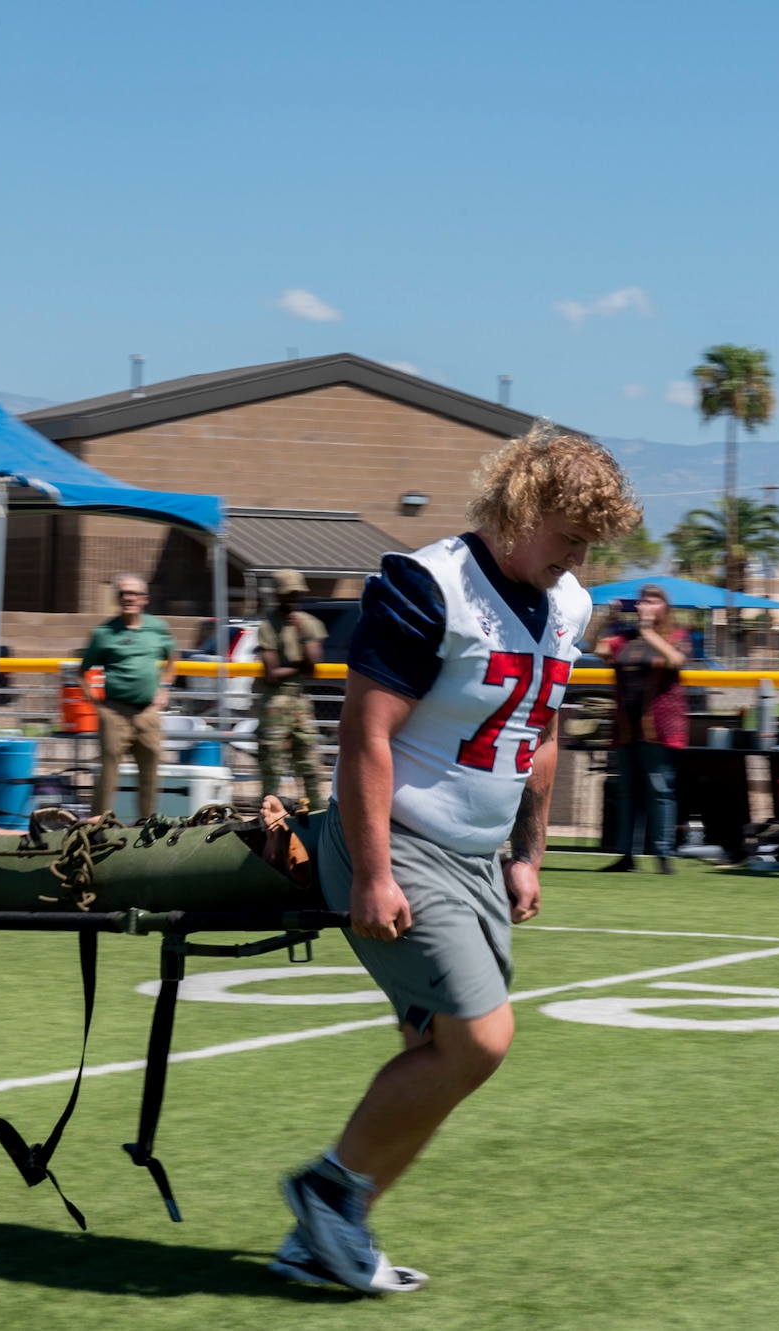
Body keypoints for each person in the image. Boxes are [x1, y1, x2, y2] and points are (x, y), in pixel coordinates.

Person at [272, 424, 638, 1294]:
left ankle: (326, 1238)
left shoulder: (570, 603)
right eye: (568, 535)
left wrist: (527, 853)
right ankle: (328, 1190)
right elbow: (365, 731)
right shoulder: (425, 584)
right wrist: (371, 870)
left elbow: (537, 731)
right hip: (397, 837)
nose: (579, 555)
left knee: (433, 1049)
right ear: (519, 509)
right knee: (480, 1039)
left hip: (476, 853)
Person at [593, 583, 690, 874]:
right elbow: (596, 649)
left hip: (659, 727)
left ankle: (663, 855)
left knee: (659, 789)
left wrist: (648, 630)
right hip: (626, 727)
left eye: (652, 602)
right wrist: (605, 619)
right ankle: (627, 856)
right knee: (627, 792)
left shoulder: (676, 635)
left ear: (665, 607)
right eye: (641, 602)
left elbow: (677, 660)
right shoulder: (623, 637)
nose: (644, 606)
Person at [80, 574, 178, 818]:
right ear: (117, 598)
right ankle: (96, 828)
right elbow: (83, 671)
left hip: (147, 713)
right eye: (123, 593)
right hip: (115, 712)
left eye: (133, 593)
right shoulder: (104, 633)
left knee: (150, 774)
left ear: (144, 599)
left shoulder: (158, 628)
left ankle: (145, 828)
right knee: (109, 774)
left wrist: (165, 688)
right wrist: (96, 703)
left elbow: (173, 657)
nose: (128, 598)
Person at [256, 569, 327, 812]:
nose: (293, 599)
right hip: (274, 704)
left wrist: (301, 635)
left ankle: (318, 815)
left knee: (310, 765)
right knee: (273, 767)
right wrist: (298, 665)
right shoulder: (268, 627)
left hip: (299, 702)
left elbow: (312, 666)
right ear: (278, 595)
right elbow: (271, 673)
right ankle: (267, 821)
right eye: (288, 594)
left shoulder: (309, 624)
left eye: (297, 594)